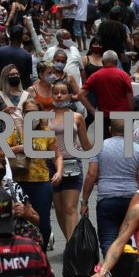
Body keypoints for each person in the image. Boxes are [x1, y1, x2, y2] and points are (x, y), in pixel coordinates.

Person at [81, 118, 139, 256]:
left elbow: (91, 174)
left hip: (107, 199)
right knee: (129, 240)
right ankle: (126, 271)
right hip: (132, 200)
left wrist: (84, 202)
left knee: (108, 240)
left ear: (110, 130)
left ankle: (110, 272)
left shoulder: (99, 147)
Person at [8, 99, 62, 250]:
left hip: (41, 183)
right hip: (19, 182)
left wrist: (58, 172)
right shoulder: (14, 131)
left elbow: (57, 155)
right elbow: (1, 152)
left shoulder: (46, 133)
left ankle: (41, 252)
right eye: (28, 112)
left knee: (42, 221)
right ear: (23, 114)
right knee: (19, 219)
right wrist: (20, 148)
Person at [49, 81, 92, 240]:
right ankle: (70, 241)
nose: (59, 96)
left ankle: (72, 247)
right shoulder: (44, 117)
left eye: (63, 92)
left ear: (69, 95)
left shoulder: (77, 117)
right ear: (52, 94)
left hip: (72, 163)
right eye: (56, 92)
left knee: (69, 208)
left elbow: (86, 145)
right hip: (51, 165)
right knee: (59, 209)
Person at [78, 51, 134, 139]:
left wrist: (93, 111)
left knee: (105, 143)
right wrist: (131, 112)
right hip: (122, 115)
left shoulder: (95, 76)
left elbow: (81, 95)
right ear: (116, 62)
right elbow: (130, 97)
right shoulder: (124, 75)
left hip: (105, 116)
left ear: (103, 62)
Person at [0, 25, 34, 91]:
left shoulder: (0, 51)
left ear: (10, 37)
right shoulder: (27, 55)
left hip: (3, 89)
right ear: (21, 37)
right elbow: (27, 78)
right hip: (19, 90)